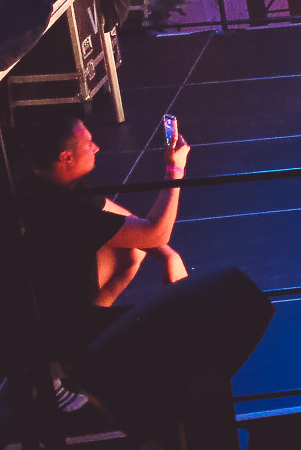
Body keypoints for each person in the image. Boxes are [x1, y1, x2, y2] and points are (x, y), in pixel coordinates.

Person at [13, 111, 194, 409]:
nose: (96, 147)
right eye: (89, 143)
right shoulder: (64, 208)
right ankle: (57, 367)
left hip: (48, 308)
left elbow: (130, 224)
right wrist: (175, 169)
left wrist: (168, 255)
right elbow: (155, 232)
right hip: (44, 325)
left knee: (131, 250)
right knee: (173, 330)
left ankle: (73, 356)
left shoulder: (42, 185)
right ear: (66, 158)